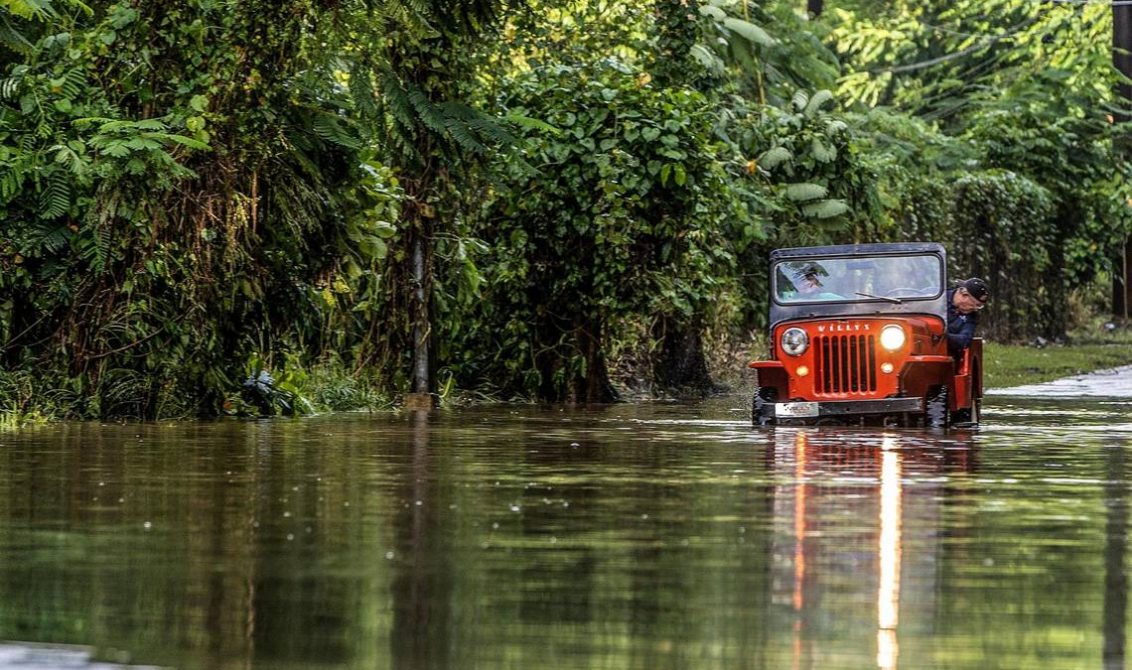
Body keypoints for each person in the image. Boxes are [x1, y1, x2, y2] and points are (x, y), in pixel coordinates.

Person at [946, 277, 988, 356]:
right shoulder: (935, 296)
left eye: (979, 306)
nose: (976, 309)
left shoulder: (971, 316)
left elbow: (964, 340)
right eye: (976, 304)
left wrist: (944, 336)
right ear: (964, 295)